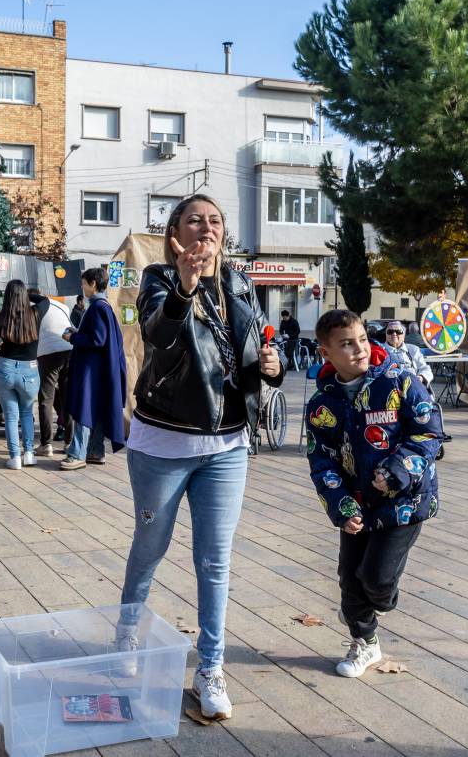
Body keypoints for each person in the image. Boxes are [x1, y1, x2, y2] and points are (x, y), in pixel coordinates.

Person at [115, 194, 284, 721]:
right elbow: (159, 337)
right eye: (195, 221)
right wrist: (185, 288)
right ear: (175, 233)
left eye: (214, 221)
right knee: (150, 546)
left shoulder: (239, 282)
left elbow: (248, 353)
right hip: (163, 442)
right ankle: (126, 638)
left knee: (215, 561)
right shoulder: (159, 282)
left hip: (227, 446)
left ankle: (210, 666)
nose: (205, 229)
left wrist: (270, 367)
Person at [305, 309, 441, 678]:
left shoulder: (399, 381)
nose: (359, 349)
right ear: (326, 353)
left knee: (377, 582)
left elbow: (428, 434)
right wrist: (340, 504)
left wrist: (397, 471)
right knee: (350, 579)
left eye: (362, 339)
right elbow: (322, 460)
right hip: (358, 508)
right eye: (346, 344)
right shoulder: (322, 404)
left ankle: (365, 606)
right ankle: (364, 640)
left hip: (405, 503)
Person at [60, 268, 127, 471]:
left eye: (84, 283)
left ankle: (77, 454)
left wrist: (72, 337)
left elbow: (98, 339)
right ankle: (95, 452)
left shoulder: (98, 307)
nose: (82, 287)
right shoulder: (103, 306)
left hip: (91, 371)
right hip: (100, 370)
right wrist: (79, 332)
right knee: (95, 409)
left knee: (84, 409)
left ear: (93, 284)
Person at [0, 280, 42, 469]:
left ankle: (15, 457)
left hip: (5, 369)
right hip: (30, 372)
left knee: (11, 416)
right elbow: (44, 300)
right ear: (25, 295)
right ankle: (29, 454)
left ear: (7, 296)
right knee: (27, 413)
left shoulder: (1, 317)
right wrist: (25, 296)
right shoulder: (35, 313)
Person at [30, 287, 73, 457]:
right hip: (70, 349)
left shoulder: (34, 308)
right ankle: (70, 443)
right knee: (68, 398)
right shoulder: (63, 307)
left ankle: (46, 444)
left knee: (46, 399)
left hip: (48, 354)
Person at [382, 320, 433, 386]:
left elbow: (425, 369)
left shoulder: (413, 349)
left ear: (404, 336)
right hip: (389, 388)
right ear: (386, 335)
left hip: (413, 385)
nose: (394, 334)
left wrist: (421, 378)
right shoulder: (380, 350)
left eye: (398, 331)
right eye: (390, 332)